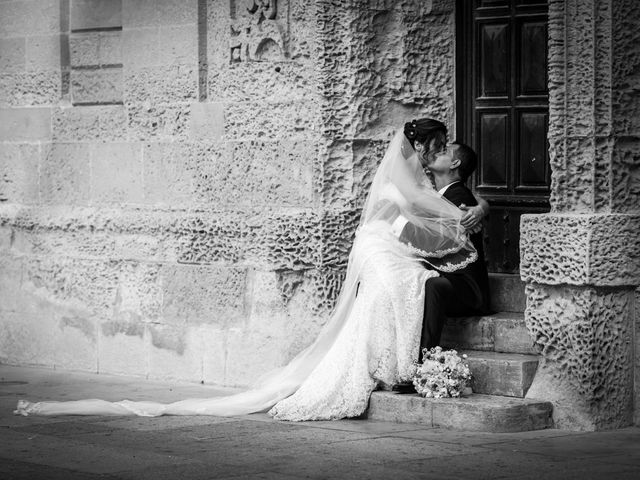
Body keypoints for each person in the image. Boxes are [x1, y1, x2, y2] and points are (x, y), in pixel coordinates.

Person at [14, 119, 480, 420]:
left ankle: (396, 365)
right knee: (402, 289)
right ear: (419, 145)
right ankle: (391, 366)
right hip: (379, 249)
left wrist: (462, 214)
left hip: (389, 246)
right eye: (434, 146)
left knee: (406, 290)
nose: (434, 154)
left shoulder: (417, 174)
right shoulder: (403, 173)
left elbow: (416, 214)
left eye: (441, 149)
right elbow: (414, 208)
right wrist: (472, 212)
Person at [420, 142, 491, 356]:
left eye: (443, 151)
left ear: (455, 163)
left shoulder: (460, 198)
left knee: (433, 285)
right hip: (444, 271)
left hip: (466, 287)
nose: (436, 153)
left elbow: (434, 242)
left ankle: (424, 359)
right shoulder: (440, 195)